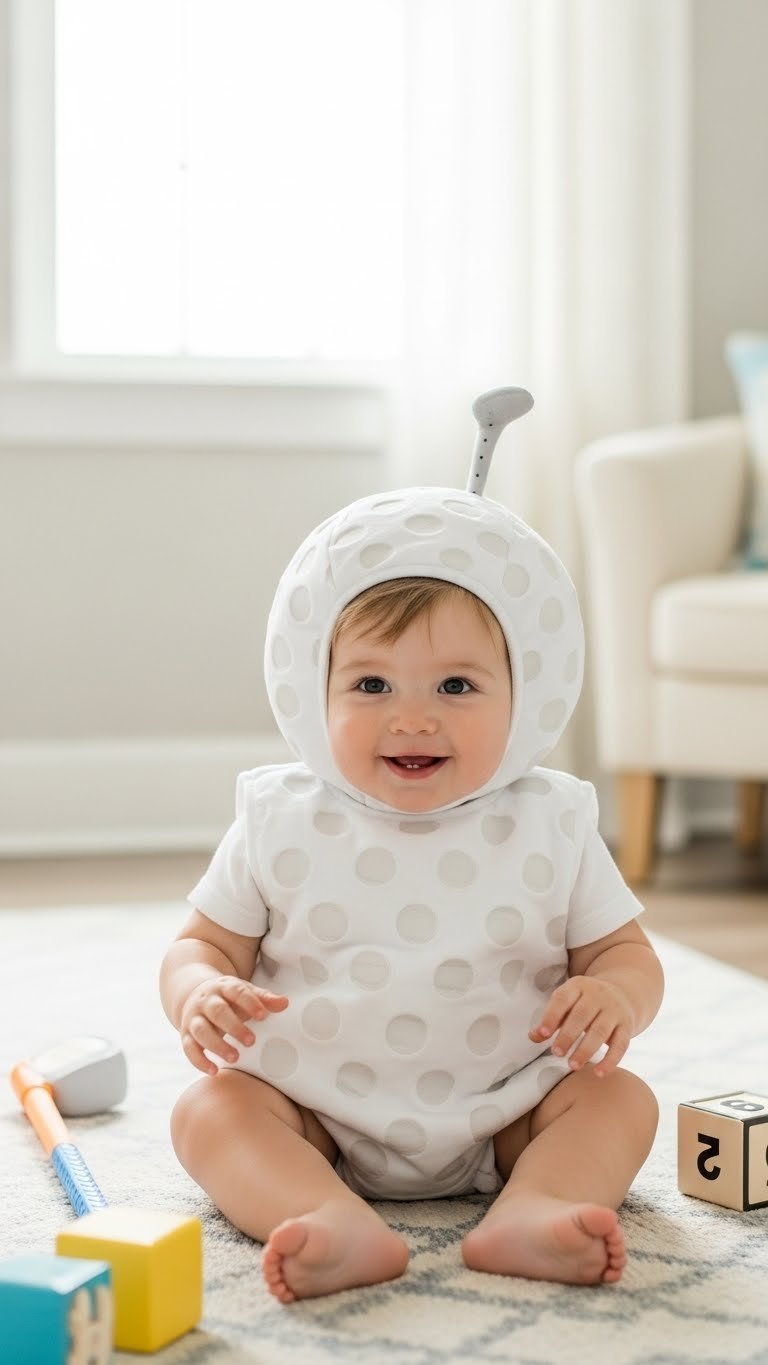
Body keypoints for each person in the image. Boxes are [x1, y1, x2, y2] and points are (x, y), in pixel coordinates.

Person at [160, 470, 664, 1305]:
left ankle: (538, 1203)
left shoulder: (554, 818)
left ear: (522, 694)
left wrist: (617, 996)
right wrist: (199, 991)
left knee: (622, 1102)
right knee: (207, 1110)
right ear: (315, 692)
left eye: (457, 686)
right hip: (312, 1108)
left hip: (510, 1109)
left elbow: (625, 954)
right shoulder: (280, 816)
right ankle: (321, 1211)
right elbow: (200, 945)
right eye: (371, 685)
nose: (414, 717)